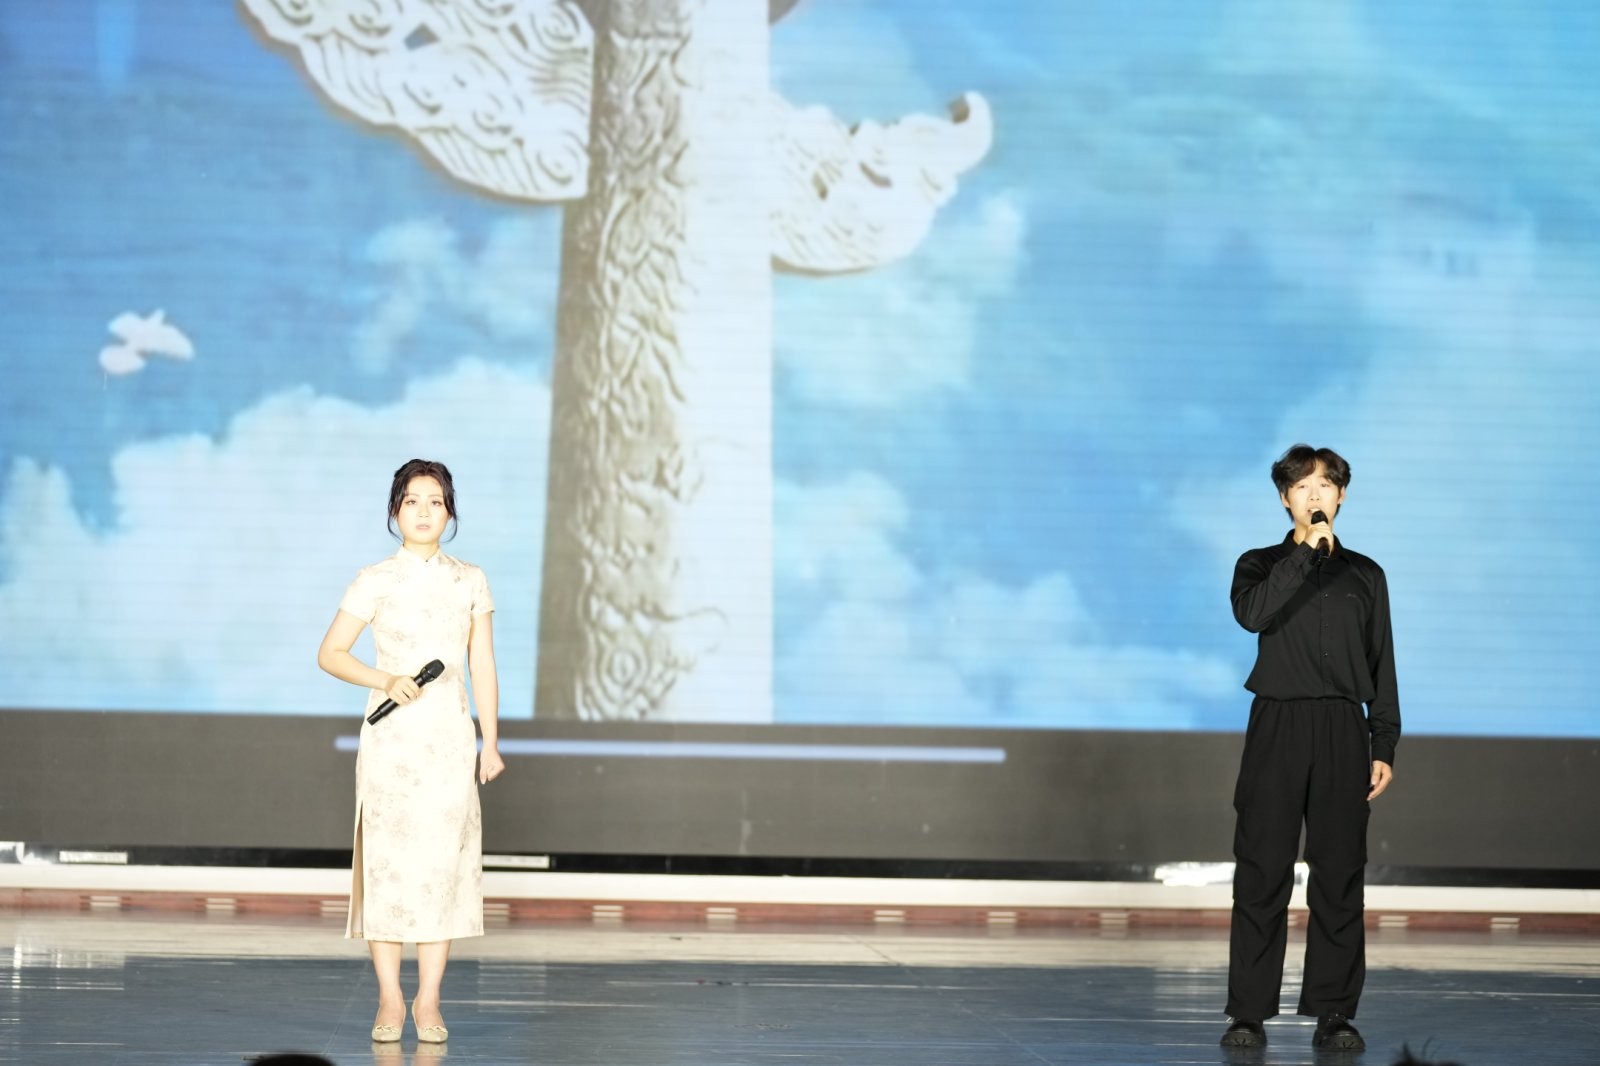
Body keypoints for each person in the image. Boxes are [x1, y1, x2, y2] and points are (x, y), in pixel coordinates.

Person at [316, 459, 504, 1045]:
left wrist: (490, 741)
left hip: (449, 740)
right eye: (412, 501)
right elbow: (331, 653)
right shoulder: (374, 579)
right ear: (395, 510)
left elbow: (481, 663)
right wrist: (386, 679)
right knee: (390, 868)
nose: (424, 512)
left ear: (450, 513)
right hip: (392, 742)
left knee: (441, 868)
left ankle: (429, 998)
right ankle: (390, 996)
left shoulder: (469, 579)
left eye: (436, 502)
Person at [1219, 444, 1400, 1052]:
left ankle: (1334, 1011)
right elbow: (1253, 616)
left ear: (1342, 495)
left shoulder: (1366, 575)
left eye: (1325, 485)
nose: (1315, 495)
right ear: (1285, 499)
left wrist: (1383, 741)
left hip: (1343, 729)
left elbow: (1382, 663)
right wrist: (1304, 554)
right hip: (1277, 725)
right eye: (1302, 486)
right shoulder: (1258, 564)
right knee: (1262, 869)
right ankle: (1247, 1012)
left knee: (1339, 875)